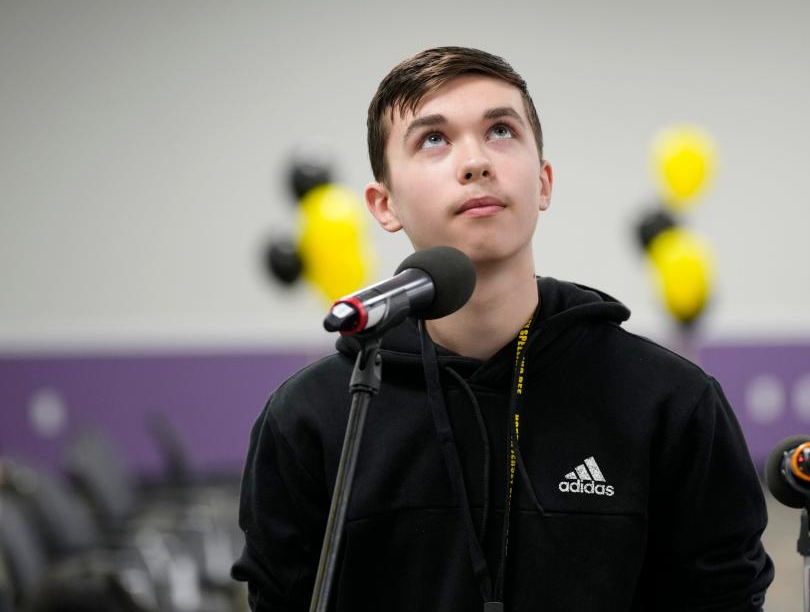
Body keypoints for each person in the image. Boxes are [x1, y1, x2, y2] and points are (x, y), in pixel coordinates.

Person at [231, 46, 774, 611]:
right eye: (433, 139)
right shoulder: (313, 418)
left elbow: (722, 597)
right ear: (383, 205)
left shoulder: (668, 403)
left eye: (500, 130)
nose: (475, 162)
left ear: (543, 183)